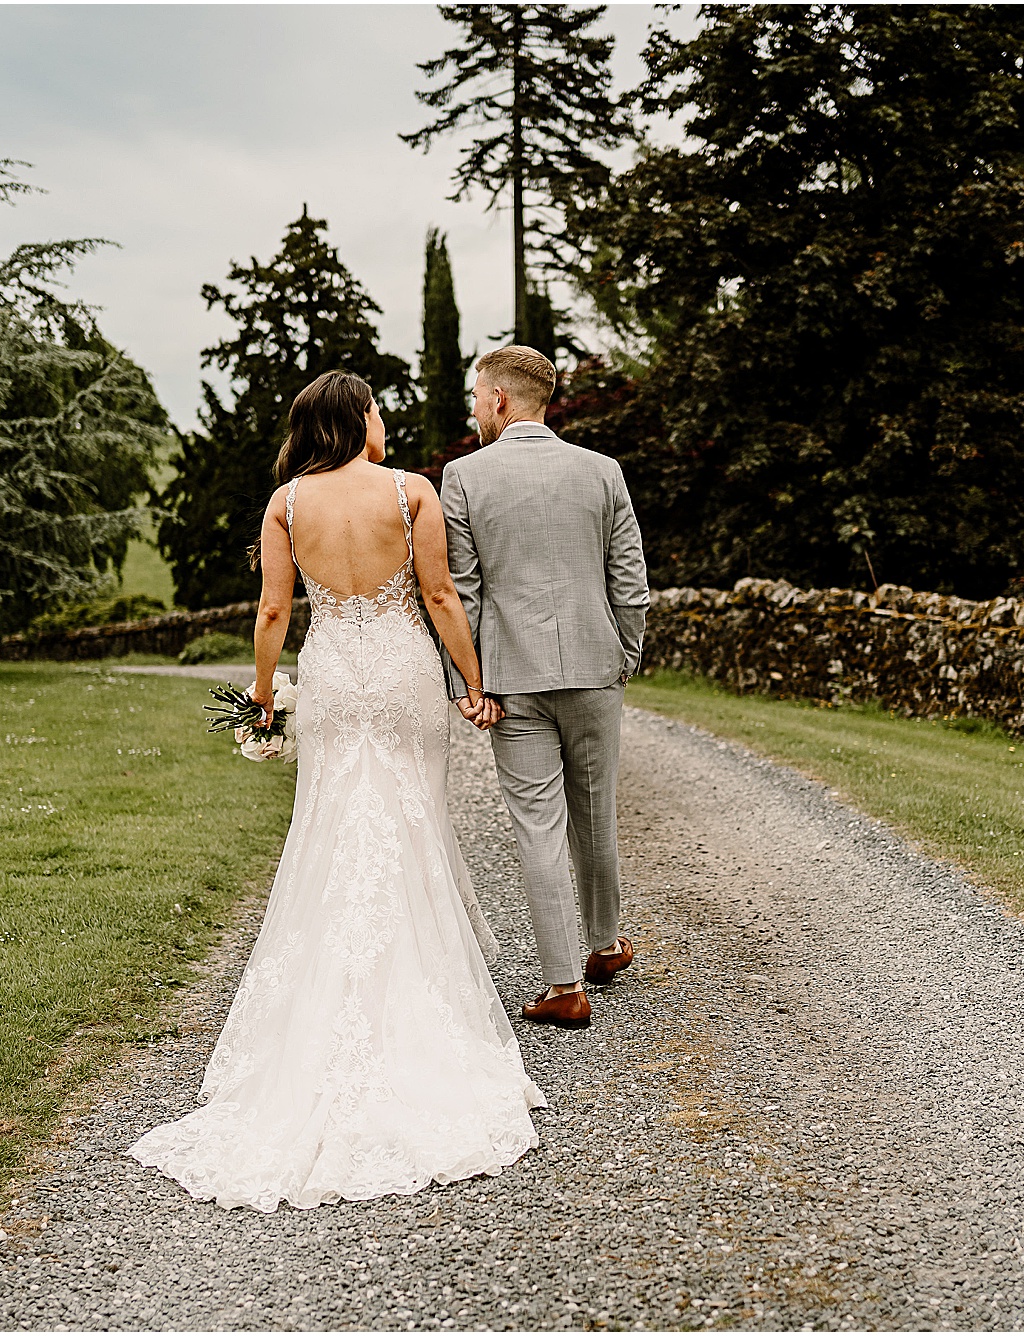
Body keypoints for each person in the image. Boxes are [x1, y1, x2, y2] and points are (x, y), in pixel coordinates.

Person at [127, 370, 545, 1212]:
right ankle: (419, 999)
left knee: (330, 828)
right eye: (379, 410)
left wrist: (262, 696)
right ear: (357, 419)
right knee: (411, 823)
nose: (385, 421)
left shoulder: (285, 505)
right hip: (399, 676)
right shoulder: (410, 491)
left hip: (333, 680)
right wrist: (475, 682)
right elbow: (436, 596)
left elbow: (273, 612)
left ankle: (320, 1012)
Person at [439, 345, 650, 1030]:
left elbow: (461, 593)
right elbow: (631, 581)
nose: (473, 409)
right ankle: (606, 945)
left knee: (539, 828)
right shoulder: (602, 471)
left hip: (511, 682)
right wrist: (624, 655)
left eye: (476, 396)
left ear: (500, 399)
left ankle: (563, 986)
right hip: (595, 669)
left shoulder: (464, 477)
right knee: (596, 812)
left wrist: (469, 684)